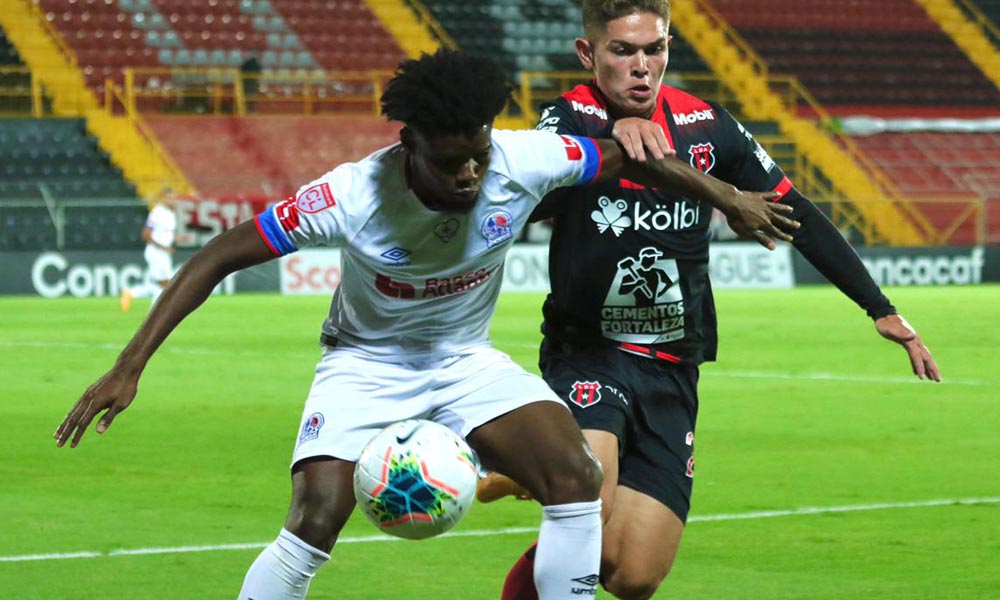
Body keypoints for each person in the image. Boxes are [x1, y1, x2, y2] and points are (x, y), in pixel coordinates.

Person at [53, 49, 797, 600]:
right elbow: (219, 253)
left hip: (464, 359)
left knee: (577, 475)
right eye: (450, 164)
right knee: (315, 518)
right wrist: (130, 365)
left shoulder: (525, 158)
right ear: (408, 145)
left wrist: (724, 194)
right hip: (364, 363)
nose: (470, 176)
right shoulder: (349, 194)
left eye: (477, 156)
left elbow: (632, 162)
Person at [479, 2, 942, 600]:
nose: (643, 67)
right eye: (623, 51)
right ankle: (554, 474)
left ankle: (528, 472)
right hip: (588, 354)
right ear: (588, 54)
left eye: (656, 49)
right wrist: (601, 136)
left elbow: (793, 210)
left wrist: (879, 307)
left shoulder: (705, 126)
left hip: (673, 367)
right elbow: (514, 181)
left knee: (634, 574)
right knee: (586, 501)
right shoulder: (567, 118)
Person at [120, 187, 177, 312]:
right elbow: (146, 234)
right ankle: (157, 311)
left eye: (173, 198)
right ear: (162, 198)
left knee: (158, 284)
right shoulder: (157, 213)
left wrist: (179, 239)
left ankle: (131, 293)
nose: (171, 200)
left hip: (164, 253)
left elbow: (167, 234)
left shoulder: (171, 213)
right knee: (166, 282)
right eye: (169, 198)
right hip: (156, 252)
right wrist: (164, 247)